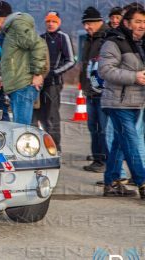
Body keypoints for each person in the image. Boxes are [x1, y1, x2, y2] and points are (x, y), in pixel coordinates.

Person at [98, 6, 145, 198]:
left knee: (119, 142)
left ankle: (112, 182)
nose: (142, 26)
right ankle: (142, 182)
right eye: (138, 21)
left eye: (144, 22)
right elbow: (105, 70)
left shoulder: (141, 44)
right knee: (131, 141)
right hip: (117, 102)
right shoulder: (113, 43)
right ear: (126, 23)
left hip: (136, 102)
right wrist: (134, 76)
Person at [0, 12, 49, 125]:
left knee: (22, 129)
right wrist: (4, 77)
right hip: (18, 86)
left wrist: (38, 73)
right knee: (20, 127)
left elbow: (39, 45)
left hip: (22, 87)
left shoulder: (18, 27)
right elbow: (16, 61)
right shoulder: (12, 31)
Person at [34, 11, 75, 152]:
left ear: (59, 23)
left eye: (54, 21)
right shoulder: (40, 38)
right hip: (39, 83)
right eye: (48, 21)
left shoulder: (63, 37)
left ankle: (56, 147)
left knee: (51, 116)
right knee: (38, 115)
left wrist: (54, 72)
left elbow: (71, 61)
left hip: (54, 83)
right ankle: (39, 146)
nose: (51, 24)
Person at [79, 7, 110, 172]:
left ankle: (106, 161)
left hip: (104, 92)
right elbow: (85, 66)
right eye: (85, 24)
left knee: (104, 128)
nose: (86, 27)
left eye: (89, 23)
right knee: (93, 126)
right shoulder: (88, 39)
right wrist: (85, 86)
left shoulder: (107, 37)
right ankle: (97, 159)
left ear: (99, 22)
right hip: (90, 91)